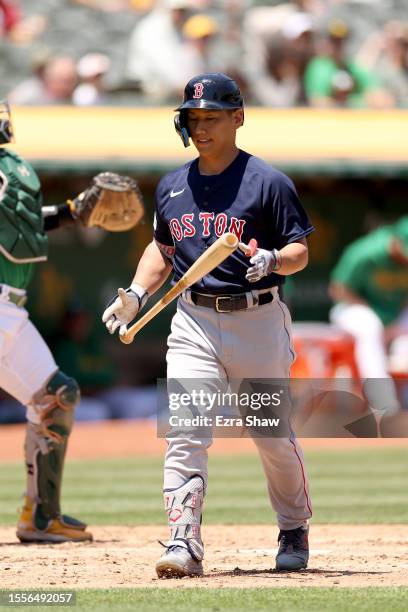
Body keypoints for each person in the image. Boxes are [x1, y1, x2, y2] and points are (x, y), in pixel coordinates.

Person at [102, 73, 314, 577]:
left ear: (238, 118)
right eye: (193, 118)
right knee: (185, 430)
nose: (201, 127)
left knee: (270, 434)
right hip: (193, 319)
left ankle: (293, 526)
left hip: (258, 318)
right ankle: (183, 541)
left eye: (212, 117)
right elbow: (164, 248)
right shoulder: (173, 185)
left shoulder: (268, 181)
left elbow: (300, 250)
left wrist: (272, 260)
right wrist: (135, 294)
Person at [0, 101, 132, 543]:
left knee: (57, 396)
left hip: (9, 309)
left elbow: (20, 226)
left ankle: (40, 515)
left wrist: (73, 212)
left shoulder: (9, 170)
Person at [329, 217, 408, 416]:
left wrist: (394, 320)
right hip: (353, 309)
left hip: (394, 314)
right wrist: (381, 316)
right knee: (369, 326)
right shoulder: (364, 252)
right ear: (396, 241)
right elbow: (338, 289)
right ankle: (384, 404)